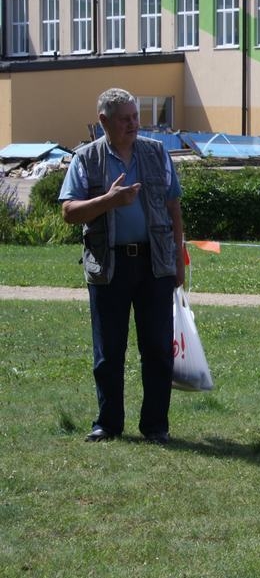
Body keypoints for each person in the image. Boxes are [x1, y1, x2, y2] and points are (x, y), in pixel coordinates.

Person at [59, 87, 186, 444]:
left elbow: (174, 207)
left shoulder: (156, 152)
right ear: (104, 121)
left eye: (135, 116)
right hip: (109, 265)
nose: (134, 124)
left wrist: (178, 259)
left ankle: (156, 426)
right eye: (126, 119)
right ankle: (108, 423)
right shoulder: (86, 159)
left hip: (154, 264)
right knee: (109, 351)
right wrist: (107, 201)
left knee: (159, 350)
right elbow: (69, 212)